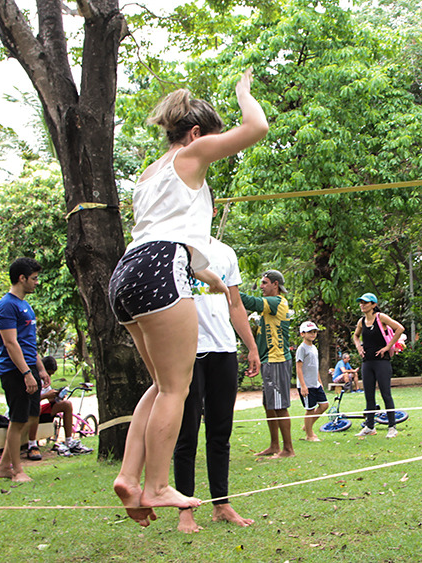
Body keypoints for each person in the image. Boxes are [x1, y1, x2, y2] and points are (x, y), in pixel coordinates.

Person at [107, 69, 269, 526]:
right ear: (196, 133)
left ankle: (128, 477)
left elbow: (167, 234)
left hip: (126, 274)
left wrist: (211, 278)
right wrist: (243, 95)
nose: (212, 152)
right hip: (161, 268)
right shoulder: (192, 152)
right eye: (210, 141)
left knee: (160, 386)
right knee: (177, 389)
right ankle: (157, 484)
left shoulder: (150, 172)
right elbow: (257, 129)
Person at [172, 203, 261, 533]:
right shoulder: (174, 248)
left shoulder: (224, 252)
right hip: (186, 352)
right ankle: (185, 508)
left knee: (220, 432)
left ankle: (221, 504)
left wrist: (250, 347)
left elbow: (234, 304)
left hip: (224, 350)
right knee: (187, 432)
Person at [0, 257, 50, 482]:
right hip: (15, 371)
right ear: (21, 278)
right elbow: (11, 343)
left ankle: (3, 467)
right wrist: (26, 373)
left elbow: (28, 343)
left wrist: (40, 369)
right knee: (17, 421)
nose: (37, 283)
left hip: (29, 368)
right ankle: (17, 471)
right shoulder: (6, 305)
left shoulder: (25, 305)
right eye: (34, 278)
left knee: (25, 420)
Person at [240, 270, 295, 458]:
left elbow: (249, 302)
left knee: (279, 406)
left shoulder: (277, 302)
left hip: (277, 360)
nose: (261, 286)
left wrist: (227, 287)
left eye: (264, 283)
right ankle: (274, 445)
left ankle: (288, 449)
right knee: (269, 404)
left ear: (275, 285)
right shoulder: (270, 306)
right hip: (269, 361)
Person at [351, 293, 405, 439]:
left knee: (385, 394)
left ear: (373, 305)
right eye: (361, 302)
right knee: (369, 395)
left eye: (366, 303)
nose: (362, 305)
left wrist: (388, 347)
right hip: (367, 362)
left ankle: (392, 427)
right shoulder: (361, 321)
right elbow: (356, 336)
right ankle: (369, 426)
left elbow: (400, 328)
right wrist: (358, 347)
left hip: (382, 362)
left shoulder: (381, 317)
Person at [25, 356, 93, 459]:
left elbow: (51, 401)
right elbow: (29, 400)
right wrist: (45, 396)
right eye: (49, 373)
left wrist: (57, 396)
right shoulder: (32, 379)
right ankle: (32, 444)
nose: (49, 376)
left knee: (67, 404)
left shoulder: (46, 381)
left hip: (43, 411)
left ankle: (69, 440)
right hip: (31, 410)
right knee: (36, 407)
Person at [295, 321, 329, 442]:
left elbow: (315, 366)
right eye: (309, 332)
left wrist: (319, 381)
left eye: (314, 331)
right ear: (302, 334)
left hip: (315, 384)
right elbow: (298, 367)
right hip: (307, 385)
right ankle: (309, 435)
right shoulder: (301, 349)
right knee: (310, 409)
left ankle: (307, 426)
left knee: (324, 405)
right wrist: (303, 386)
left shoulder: (314, 347)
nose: (313, 334)